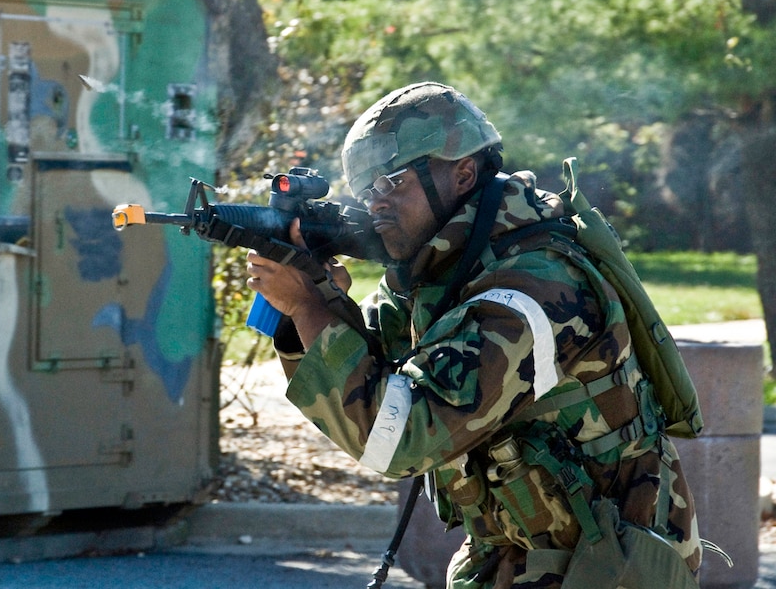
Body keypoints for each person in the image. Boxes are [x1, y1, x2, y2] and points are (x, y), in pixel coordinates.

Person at [245, 82, 701, 588]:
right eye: (368, 188)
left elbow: (400, 438)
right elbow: (367, 378)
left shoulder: (534, 287)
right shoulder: (440, 270)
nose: (376, 205)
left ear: (462, 175)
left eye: (392, 182)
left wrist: (308, 304)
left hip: (607, 567)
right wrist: (315, 302)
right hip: (517, 557)